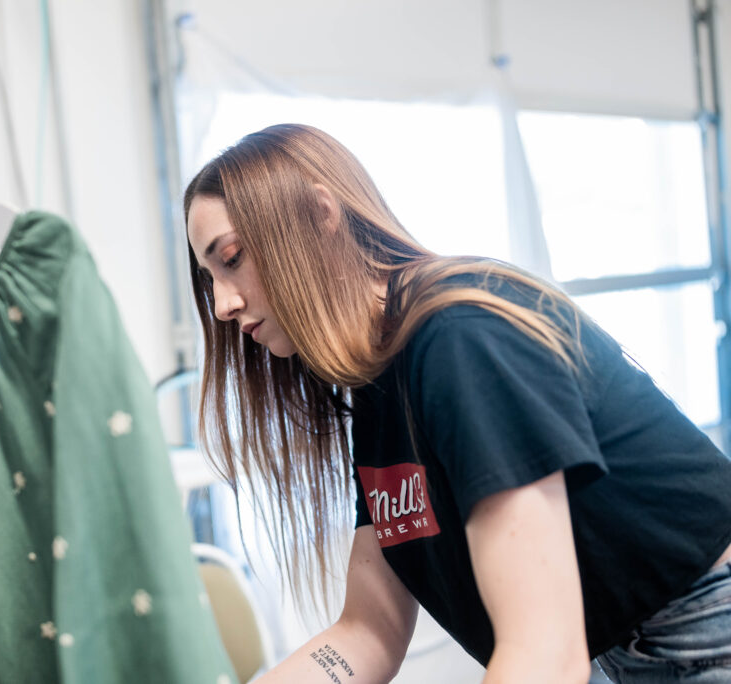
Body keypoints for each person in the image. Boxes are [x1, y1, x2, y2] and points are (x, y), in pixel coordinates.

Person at [184, 123, 731, 683]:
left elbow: (544, 653)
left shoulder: (459, 337)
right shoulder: (379, 389)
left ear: (322, 215)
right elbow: (369, 630)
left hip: (708, 627)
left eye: (233, 257)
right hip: (633, 651)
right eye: (210, 279)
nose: (223, 304)